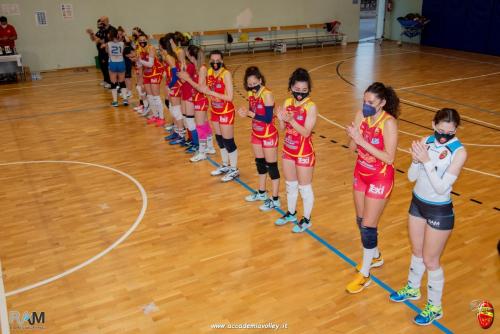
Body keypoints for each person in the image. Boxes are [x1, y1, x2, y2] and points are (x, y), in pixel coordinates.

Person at [389, 108, 467, 326]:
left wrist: (426, 161)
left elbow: (442, 188)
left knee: (431, 260)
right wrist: (415, 160)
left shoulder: (459, 152)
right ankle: (413, 288)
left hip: (439, 211)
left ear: (456, 130)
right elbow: (413, 178)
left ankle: (435, 306)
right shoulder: (426, 141)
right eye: (440, 130)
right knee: (417, 251)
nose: (444, 135)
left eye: (449, 132)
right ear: (433, 124)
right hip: (417, 204)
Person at [345, 82, 400, 294]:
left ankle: (365, 274)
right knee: (360, 221)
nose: (366, 105)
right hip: (361, 173)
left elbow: (389, 157)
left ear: (382, 103)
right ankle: (375, 256)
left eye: (371, 102)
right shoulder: (361, 115)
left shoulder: (389, 124)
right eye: (364, 101)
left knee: (369, 226)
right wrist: (353, 136)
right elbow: (352, 150)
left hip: (380, 178)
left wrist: (361, 140)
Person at [274, 68, 316, 232]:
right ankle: (291, 213)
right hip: (288, 150)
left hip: (304, 152)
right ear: (291, 87)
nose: (300, 93)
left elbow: (306, 132)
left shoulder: (311, 107)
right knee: (290, 185)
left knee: (304, 188)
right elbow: (283, 128)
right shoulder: (287, 103)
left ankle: (306, 219)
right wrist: (280, 119)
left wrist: (291, 119)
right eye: (297, 90)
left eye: (304, 90)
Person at [237, 66, 280, 212]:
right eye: (249, 84)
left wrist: (250, 114)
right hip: (256, 134)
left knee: (271, 166)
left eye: (254, 83)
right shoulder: (251, 93)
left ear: (260, 80)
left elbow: (268, 118)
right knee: (260, 164)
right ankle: (262, 192)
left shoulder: (267, 94)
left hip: (268, 134)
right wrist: (245, 113)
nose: (252, 86)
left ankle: (275, 199)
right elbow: (253, 112)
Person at [202, 50, 239, 182]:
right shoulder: (210, 72)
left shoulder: (226, 74)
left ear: (222, 61)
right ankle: (225, 164)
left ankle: (234, 169)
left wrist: (212, 92)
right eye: (213, 60)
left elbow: (229, 97)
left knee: (228, 141)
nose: (215, 63)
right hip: (215, 110)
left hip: (226, 111)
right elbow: (206, 89)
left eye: (218, 60)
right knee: (219, 139)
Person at [177, 45, 216, 162]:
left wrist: (188, 79)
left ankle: (202, 152)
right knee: (204, 123)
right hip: (196, 98)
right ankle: (210, 147)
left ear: (190, 55)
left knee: (199, 126)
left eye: (187, 53)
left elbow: (200, 88)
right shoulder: (195, 66)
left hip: (201, 99)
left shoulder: (202, 68)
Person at [137, 34, 165, 126]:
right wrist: (140, 82)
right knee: (149, 96)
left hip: (156, 71)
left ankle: (161, 117)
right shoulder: (139, 51)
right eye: (140, 40)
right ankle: (155, 115)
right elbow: (140, 67)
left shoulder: (151, 48)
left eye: (144, 39)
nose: (142, 42)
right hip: (147, 73)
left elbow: (150, 64)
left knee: (155, 96)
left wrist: (139, 60)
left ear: (147, 40)